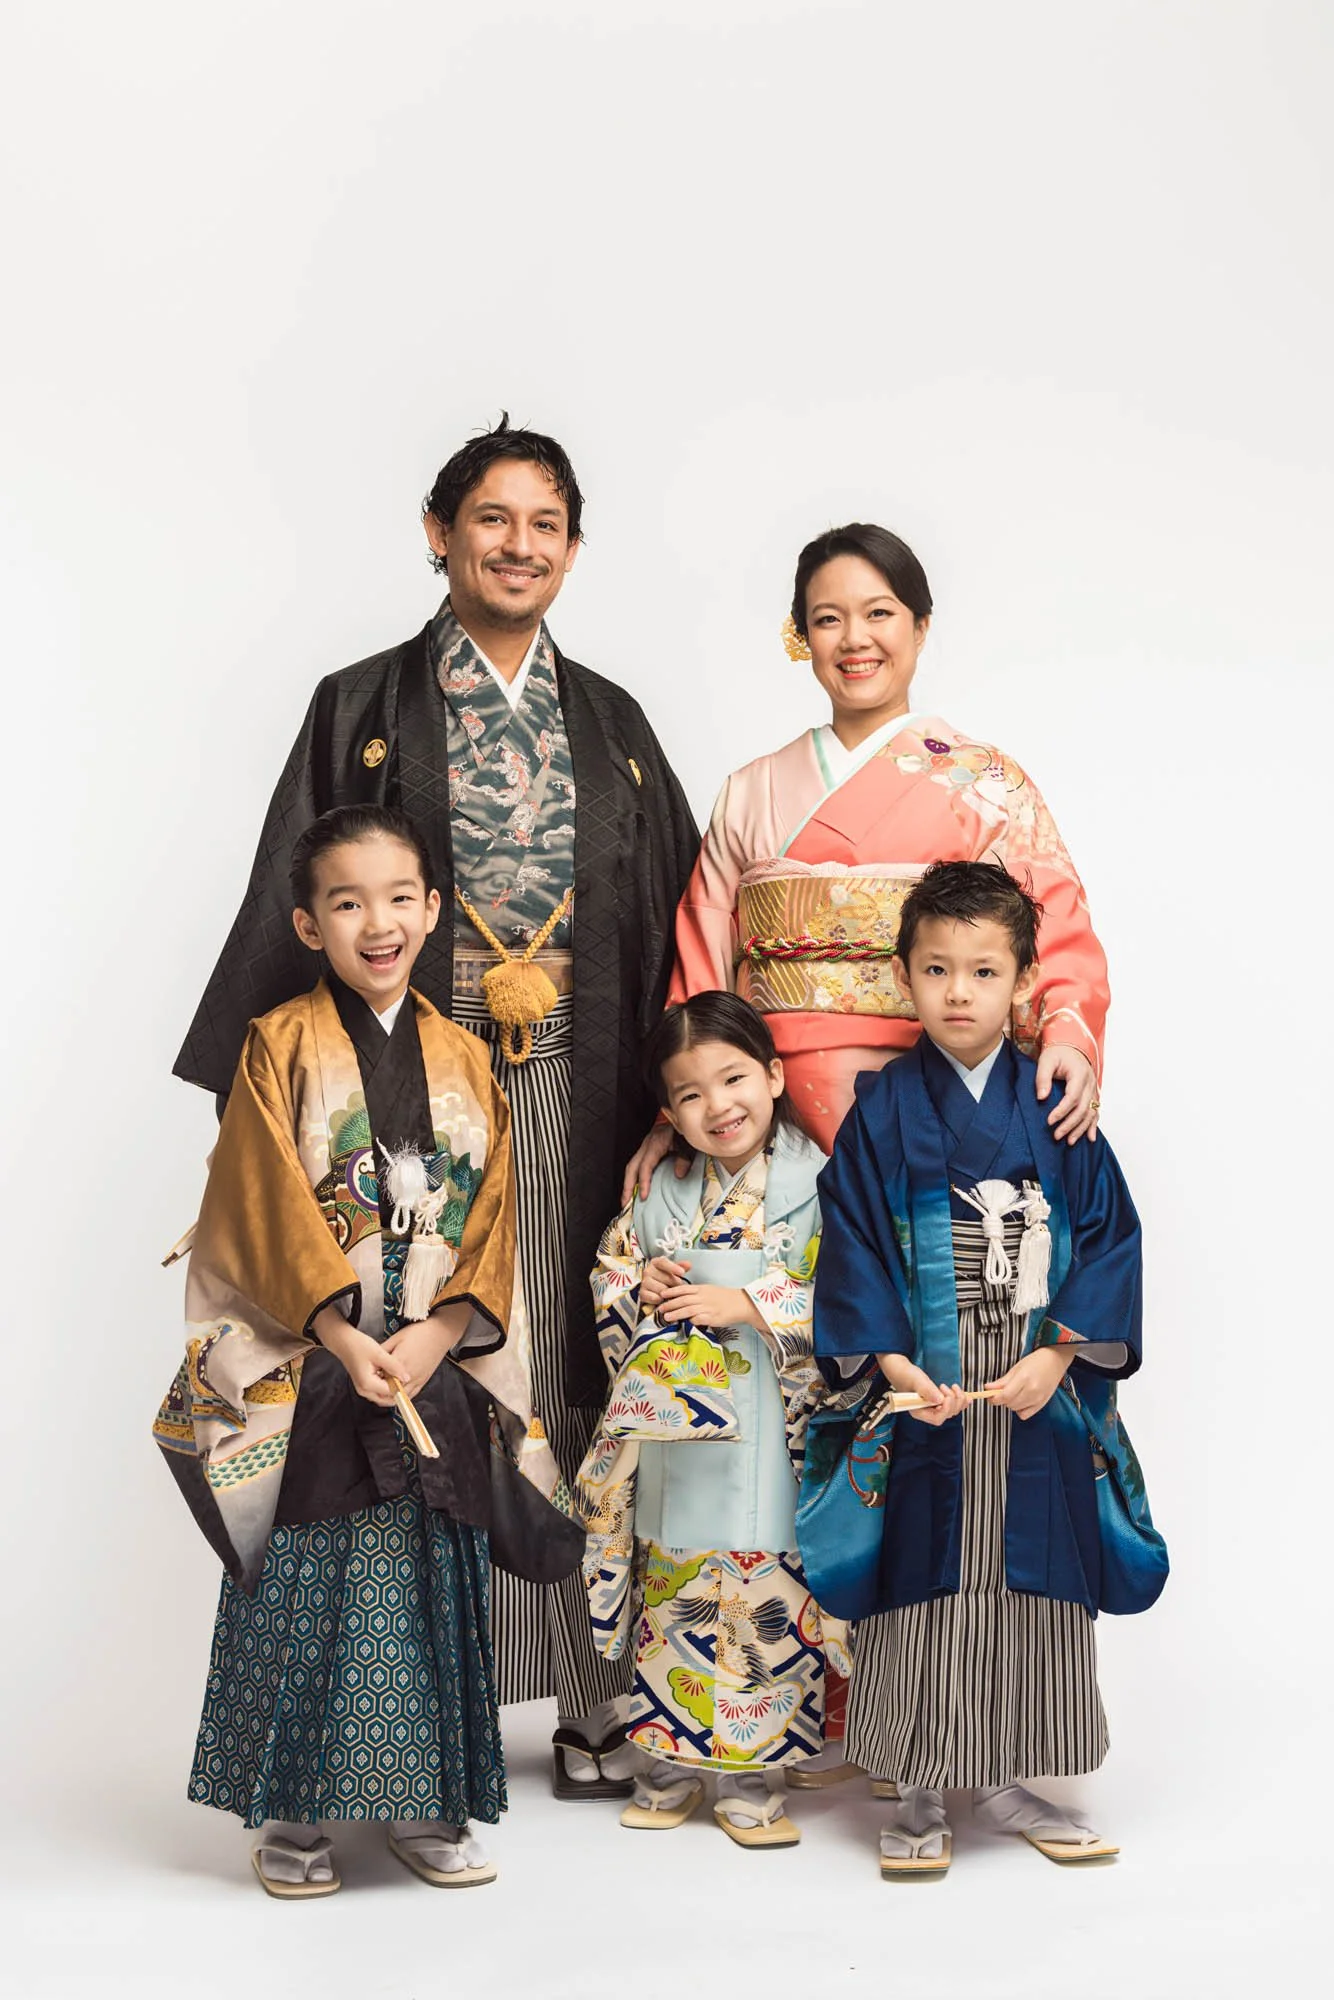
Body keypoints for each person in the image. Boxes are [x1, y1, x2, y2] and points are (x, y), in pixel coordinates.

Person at [173, 417, 698, 1798]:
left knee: (579, 1373)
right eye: (491, 520)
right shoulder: (360, 705)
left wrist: (680, 1094)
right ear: (438, 533)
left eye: (544, 525)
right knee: (410, 1379)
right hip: (400, 1100)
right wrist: (266, 1121)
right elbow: (302, 906)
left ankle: (595, 1698)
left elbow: (675, 913)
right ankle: (422, 1704)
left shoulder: (614, 725)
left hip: (579, 1094)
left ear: (572, 550)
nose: (517, 545)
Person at [627, 520, 1112, 1784]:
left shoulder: (984, 783)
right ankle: (778, 1702)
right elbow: (704, 965)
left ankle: (918, 1702)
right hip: (774, 1126)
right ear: (799, 636)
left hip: (921, 1128)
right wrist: (675, 1108)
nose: (854, 638)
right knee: (777, 1403)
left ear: (919, 626)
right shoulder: (750, 791)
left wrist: (1061, 1027)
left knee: (924, 1410)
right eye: (829, 616)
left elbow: (1045, 933)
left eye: (880, 612)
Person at [154, 805, 579, 1895]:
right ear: (306, 923)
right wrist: (341, 1331)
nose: (375, 922)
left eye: (398, 898)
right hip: (317, 1362)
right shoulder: (277, 1044)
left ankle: (427, 1802)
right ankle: (291, 1810)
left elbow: (496, 1221)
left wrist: (439, 1333)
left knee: (433, 1571)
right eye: (346, 902)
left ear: (434, 909)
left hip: (427, 1361)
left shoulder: (463, 1052)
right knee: (307, 1576)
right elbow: (256, 1203)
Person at [808, 862, 1167, 1878]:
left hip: (1031, 1380)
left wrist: (1057, 1357)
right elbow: (852, 1244)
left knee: (1028, 1566)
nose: (956, 991)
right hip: (922, 1380)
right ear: (903, 976)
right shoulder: (879, 1111)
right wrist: (886, 1364)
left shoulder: (1052, 1102)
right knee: (921, 1565)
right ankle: (915, 1783)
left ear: (1022, 983)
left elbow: (1106, 1236)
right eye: (934, 968)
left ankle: (1010, 1777)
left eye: (980, 969)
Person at [576, 993, 847, 1847]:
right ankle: (666, 1762)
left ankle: (754, 1778)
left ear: (773, 1075)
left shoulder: (821, 1181)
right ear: (668, 1111)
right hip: (680, 1438)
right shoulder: (662, 1188)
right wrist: (640, 1290)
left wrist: (754, 1301)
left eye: (734, 1078)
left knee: (769, 1596)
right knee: (678, 1590)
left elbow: (856, 1296)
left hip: (776, 1426)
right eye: (689, 1095)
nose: (717, 1106)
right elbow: (611, 1272)